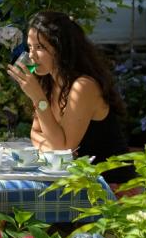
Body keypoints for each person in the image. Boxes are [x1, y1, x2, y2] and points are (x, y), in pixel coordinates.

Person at [7, 10, 131, 181]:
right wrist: (55, 149)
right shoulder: (49, 82)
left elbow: (62, 150)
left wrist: (38, 98)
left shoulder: (83, 87)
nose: (32, 55)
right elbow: (35, 133)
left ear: (60, 49)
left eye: (40, 47)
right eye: (30, 47)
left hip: (110, 188)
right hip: (77, 182)